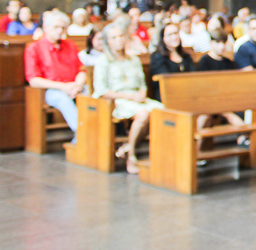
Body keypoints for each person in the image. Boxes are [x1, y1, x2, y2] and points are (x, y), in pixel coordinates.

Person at [93, 23, 164, 174]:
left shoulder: (133, 59)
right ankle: (131, 155)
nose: (119, 40)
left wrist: (142, 93)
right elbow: (101, 91)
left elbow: (142, 84)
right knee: (143, 114)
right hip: (116, 100)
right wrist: (130, 96)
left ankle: (130, 147)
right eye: (114, 37)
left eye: (121, 36)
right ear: (107, 41)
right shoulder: (103, 61)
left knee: (161, 110)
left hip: (136, 97)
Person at [24, 10, 86, 142]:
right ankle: (82, 133)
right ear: (45, 27)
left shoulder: (70, 45)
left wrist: (78, 85)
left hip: (73, 86)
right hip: (50, 90)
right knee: (62, 99)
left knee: (92, 95)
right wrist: (63, 87)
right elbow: (33, 80)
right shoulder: (34, 48)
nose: (59, 31)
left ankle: (97, 131)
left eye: (62, 28)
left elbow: (81, 70)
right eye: (56, 27)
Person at [148, 22, 194, 102]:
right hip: (168, 96)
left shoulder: (186, 56)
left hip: (188, 94)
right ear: (163, 38)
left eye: (176, 33)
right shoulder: (157, 57)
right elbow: (165, 80)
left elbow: (194, 77)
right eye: (170, 35)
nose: (174, 37)